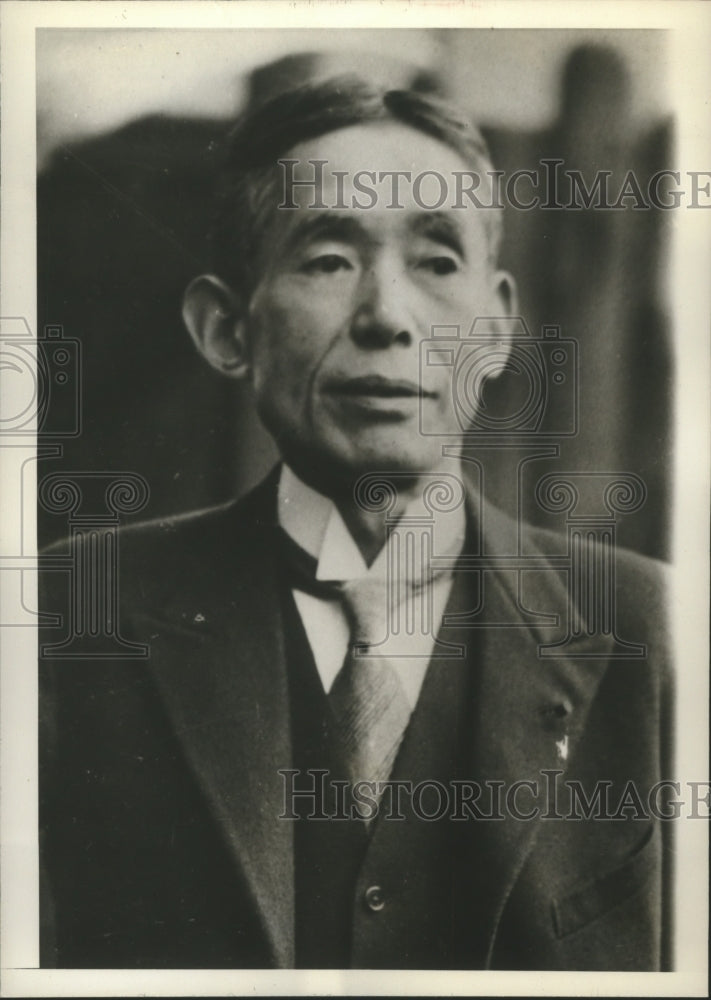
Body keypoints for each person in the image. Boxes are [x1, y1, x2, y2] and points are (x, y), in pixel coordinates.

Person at [39, 76, 672, 971]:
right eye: (328, 259)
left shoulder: (657, 634)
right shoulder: (69, 621)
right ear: (226, 329)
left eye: (436, 261)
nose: (386, 317)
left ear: (495, 327)